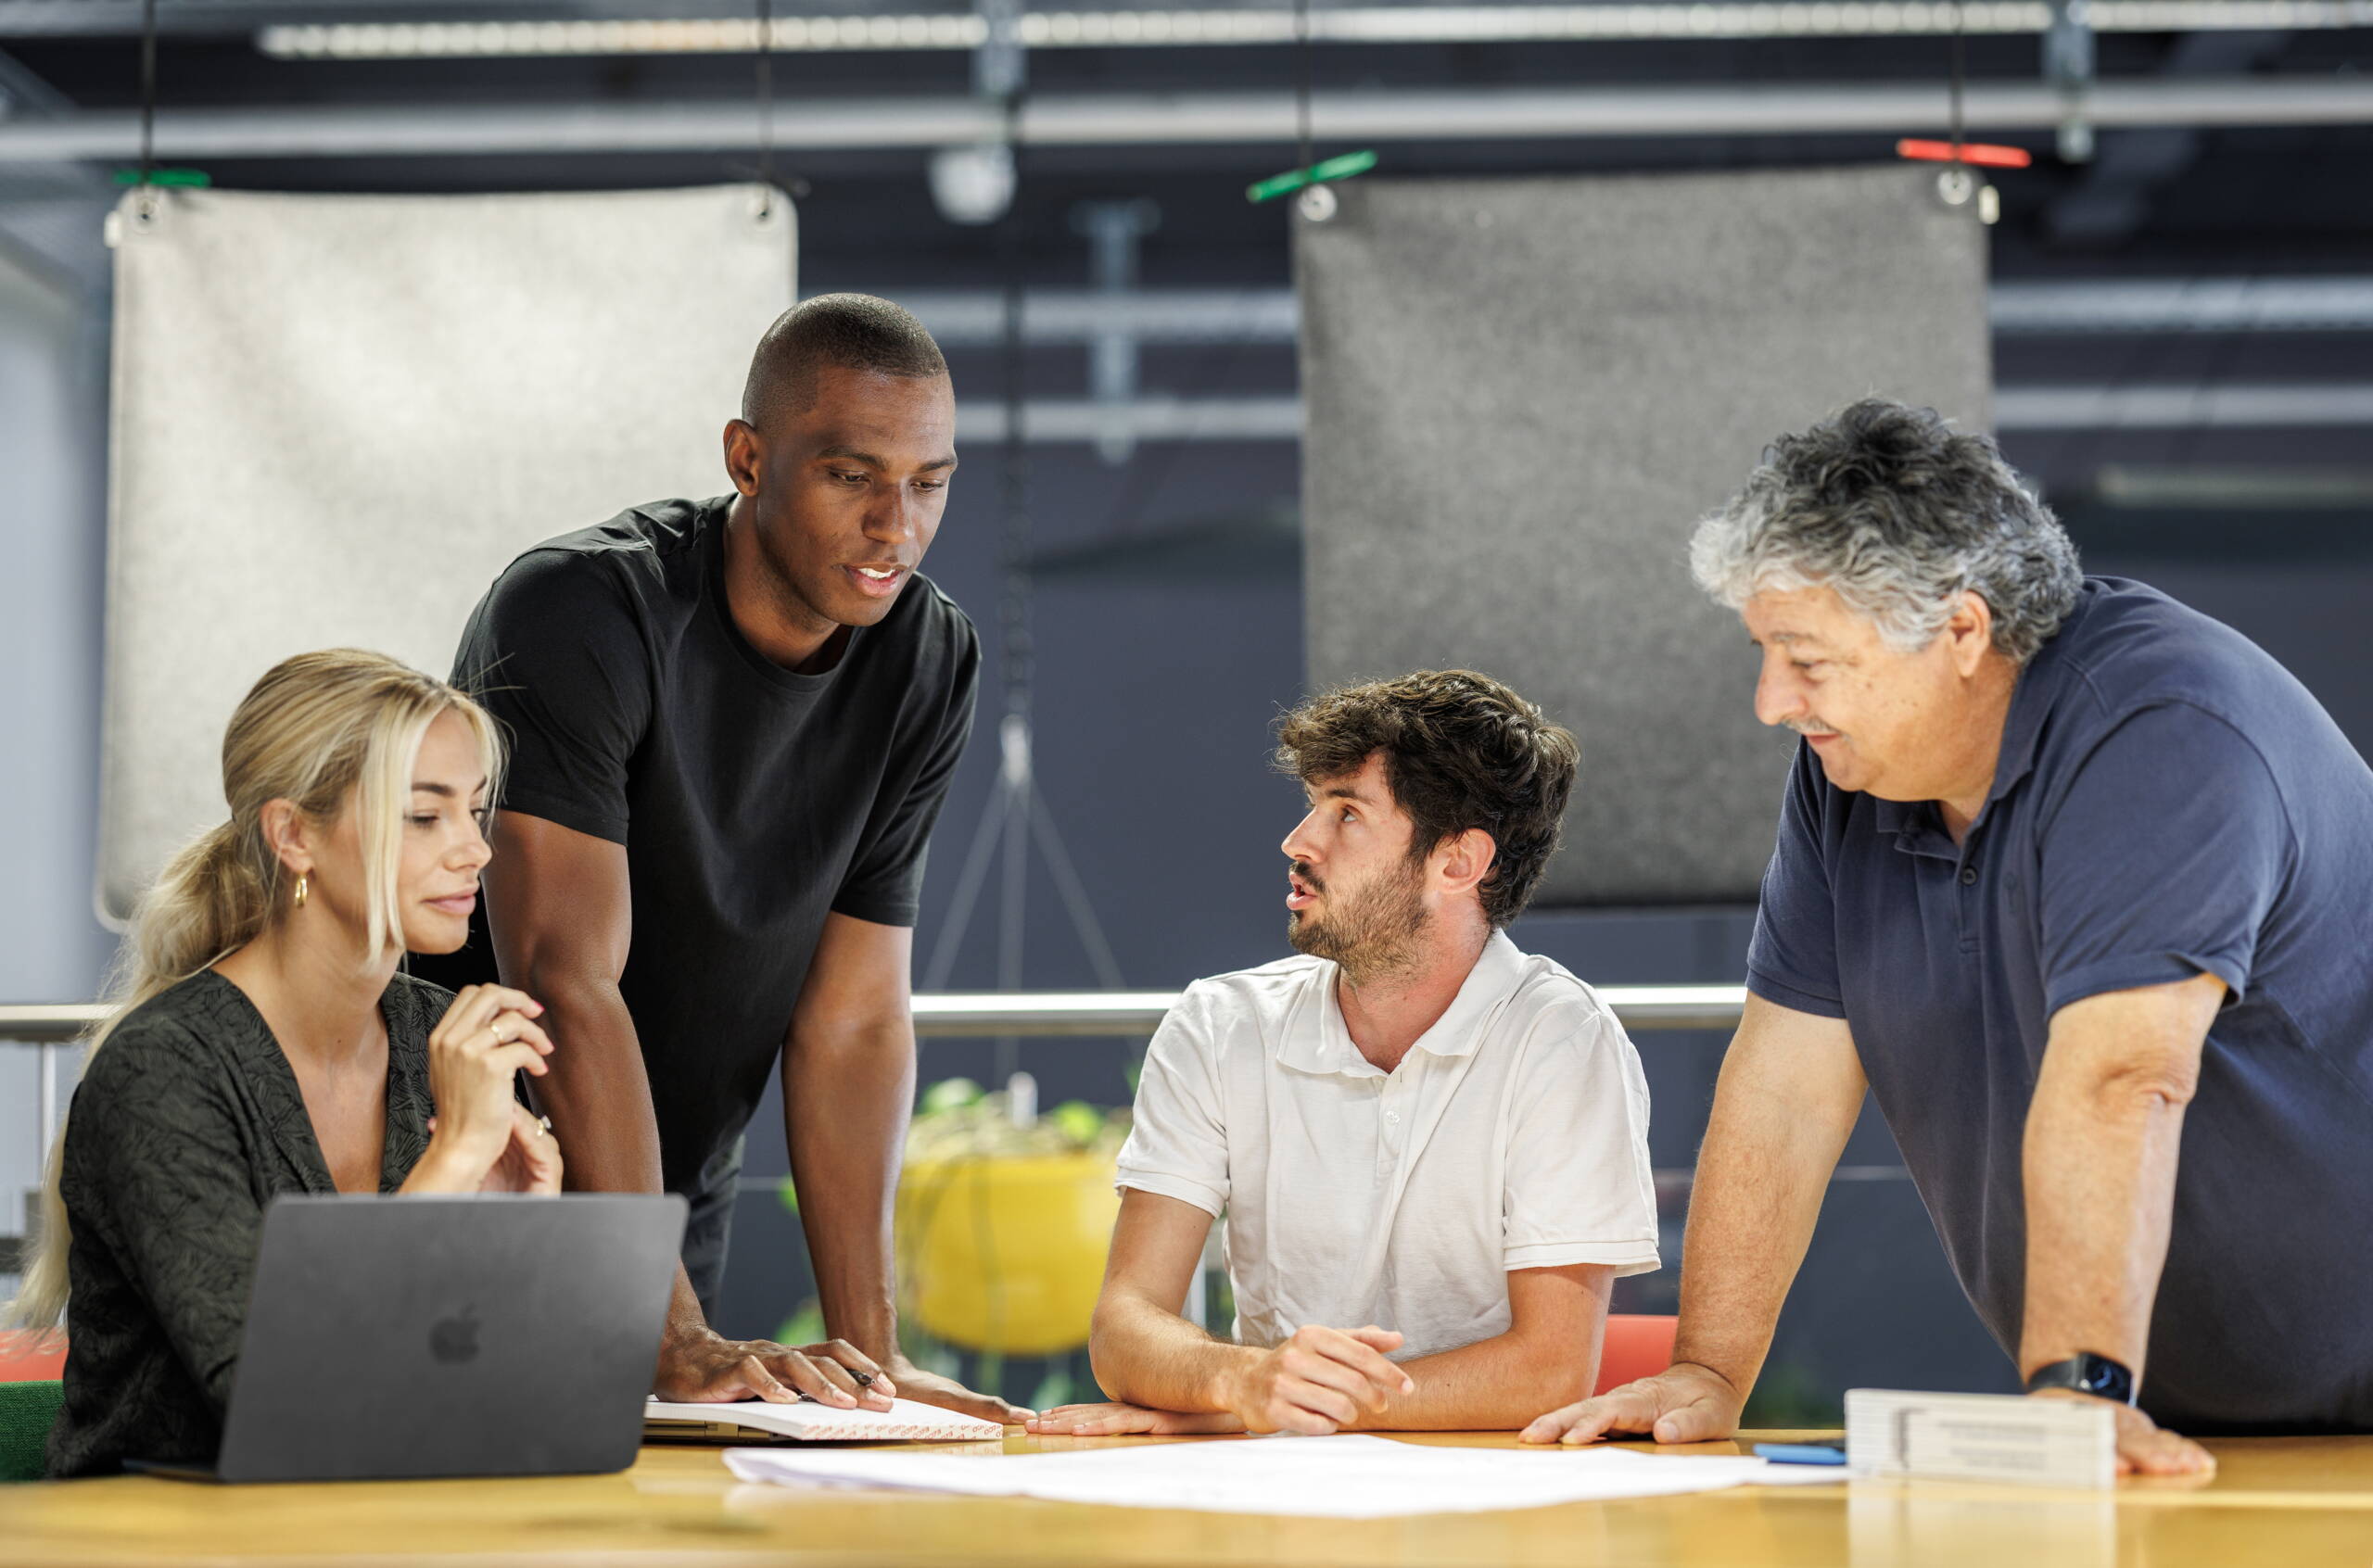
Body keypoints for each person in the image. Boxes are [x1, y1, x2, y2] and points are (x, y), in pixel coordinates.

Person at [1524, 398, 2373, 1468]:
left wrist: (2074, 1389)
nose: (1770, 701)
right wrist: (1708, 1372)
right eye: (1763, 652)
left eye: (1805, 659)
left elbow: (2122, 1077)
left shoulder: (2161, 730)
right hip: (2186, 1420)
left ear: (1962, 632)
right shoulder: (1853, 776)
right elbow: (1785, 1086)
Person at [431, 294, 1013, 1420]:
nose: (895, 526)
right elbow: (564, 979)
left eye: (928, 483)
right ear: (748, 459)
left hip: (669, 1198)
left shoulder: (928, 654)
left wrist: (873, 1357)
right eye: (850, 476)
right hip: (472, 1168)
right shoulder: (579, 610)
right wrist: (671, 1328)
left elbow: (853, 1021)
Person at [1025, 671, 1659, 1437]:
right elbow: (1125, 1328)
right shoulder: (1218, 1024)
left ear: (1457, 863)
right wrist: (1241, 1381)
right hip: (1275, 1489)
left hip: (1488, 1487)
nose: (1298, 842)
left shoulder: (1563, 1039)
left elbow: (1549, 1371)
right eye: (1312, 805)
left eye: (1347, 813)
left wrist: (1266, 1410)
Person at [9, 650, 564, 1478]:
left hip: (382, 1515)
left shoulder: (435, 1036)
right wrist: (447, 1168)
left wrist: (515, 1237)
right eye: (424, 816)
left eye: (475, 811)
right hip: (169, 1531)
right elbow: (278, 1398)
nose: (475, 851)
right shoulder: (164, 1070)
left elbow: (469, 1383)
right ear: (294, 835)